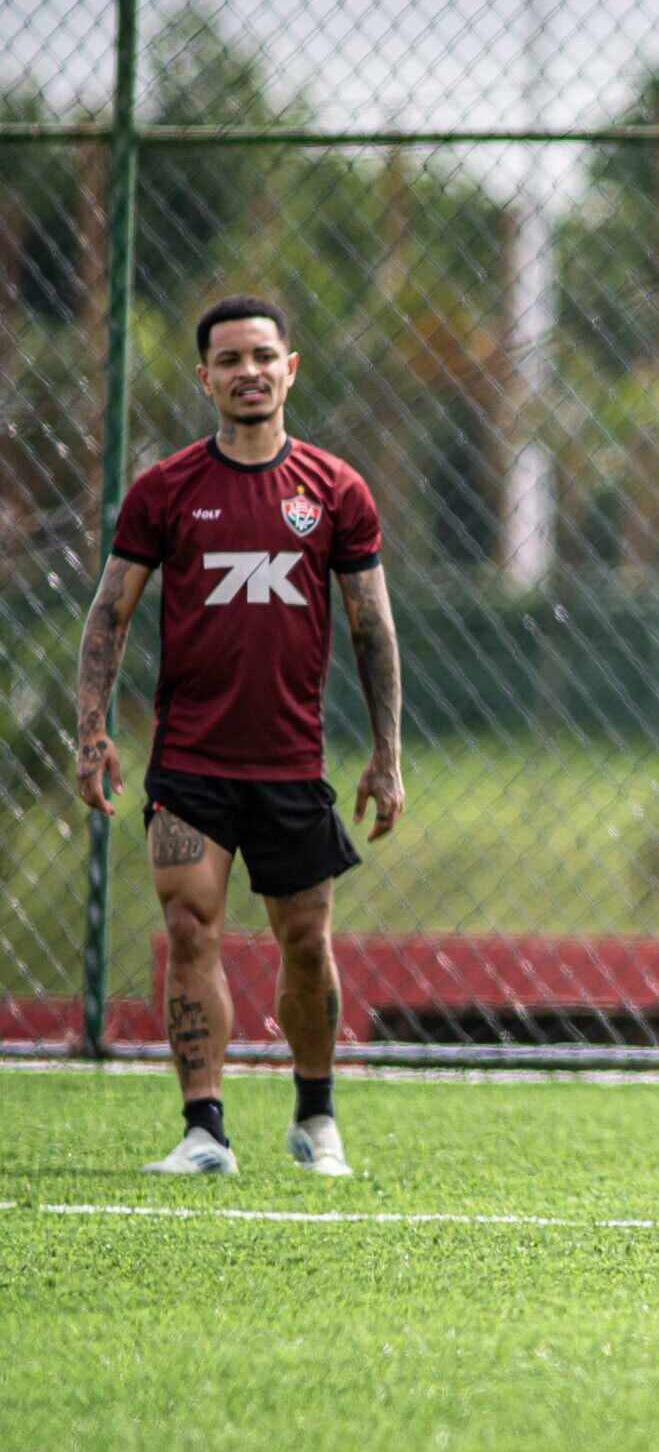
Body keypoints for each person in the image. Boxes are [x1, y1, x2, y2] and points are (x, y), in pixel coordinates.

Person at [74, 295, 404, 1178]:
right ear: (206, 379)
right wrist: (91, 732)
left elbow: (371, 627)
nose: (248, 372)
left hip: (292, 764)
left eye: (263, 356)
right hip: (190, 763)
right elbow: (109, 612)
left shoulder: (336, 490)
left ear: (289, 369)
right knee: (190, 927)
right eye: (229, 360)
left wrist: (387, 757)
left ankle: (316, 1117)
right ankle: (204, 1130)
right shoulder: (165, 490)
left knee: (307, 943)